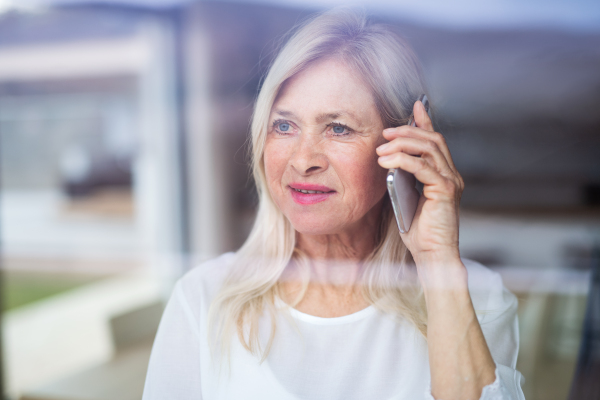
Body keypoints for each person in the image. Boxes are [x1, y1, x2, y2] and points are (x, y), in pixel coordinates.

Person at [143, 8, 525, 400]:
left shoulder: (474, 296)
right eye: (284, 125)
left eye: (338, 128)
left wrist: (437, 261)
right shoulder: (204, 298)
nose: (302, 159)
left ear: (404, 147)